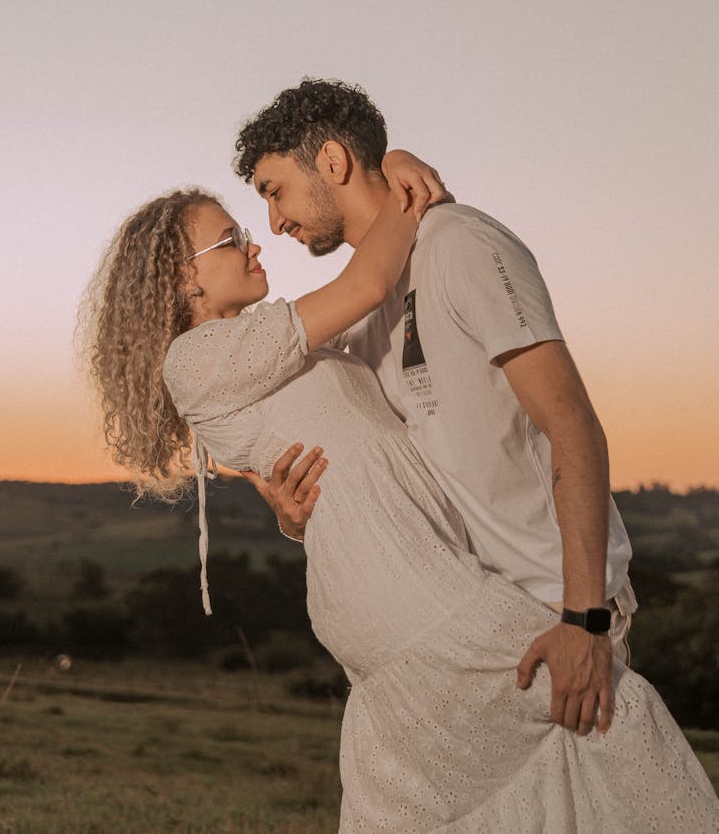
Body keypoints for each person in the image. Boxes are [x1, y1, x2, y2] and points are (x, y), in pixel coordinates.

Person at [82, 184, 718, 832]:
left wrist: (290, 512)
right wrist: (404, 180)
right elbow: (366, 283)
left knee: (532, 759)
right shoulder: (195, 358)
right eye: (229, 239)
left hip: (403, 571)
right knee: (599, 709)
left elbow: (303, 462)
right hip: (396, 583)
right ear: (180, 275)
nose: (255, 243)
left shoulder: (255, 347)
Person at [233, 78, 635, 738]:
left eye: (275, 190)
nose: (274, 222)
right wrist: (296, 515)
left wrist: (584, 619)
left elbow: (572, 424)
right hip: (472, 617)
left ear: (332, 162)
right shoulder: (362, 304)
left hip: (558, 611)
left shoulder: (460, 243)